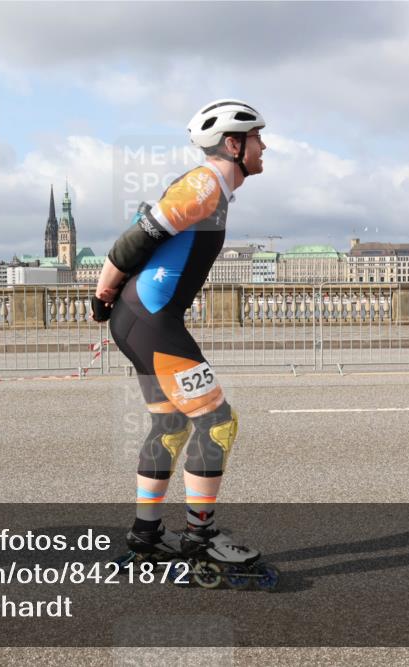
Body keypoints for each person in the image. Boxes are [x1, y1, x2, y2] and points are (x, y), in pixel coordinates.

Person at [93, 100, 271, 575]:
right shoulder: (205, 184)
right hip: (151, 320)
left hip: (143, 320)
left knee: (169, 425)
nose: (264, 145)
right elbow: (135, 238)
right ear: (233, 144)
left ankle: (146, 535)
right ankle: (199, 538)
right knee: (217, 423)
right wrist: (104, 288)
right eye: (257, 137)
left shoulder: (213, 189)